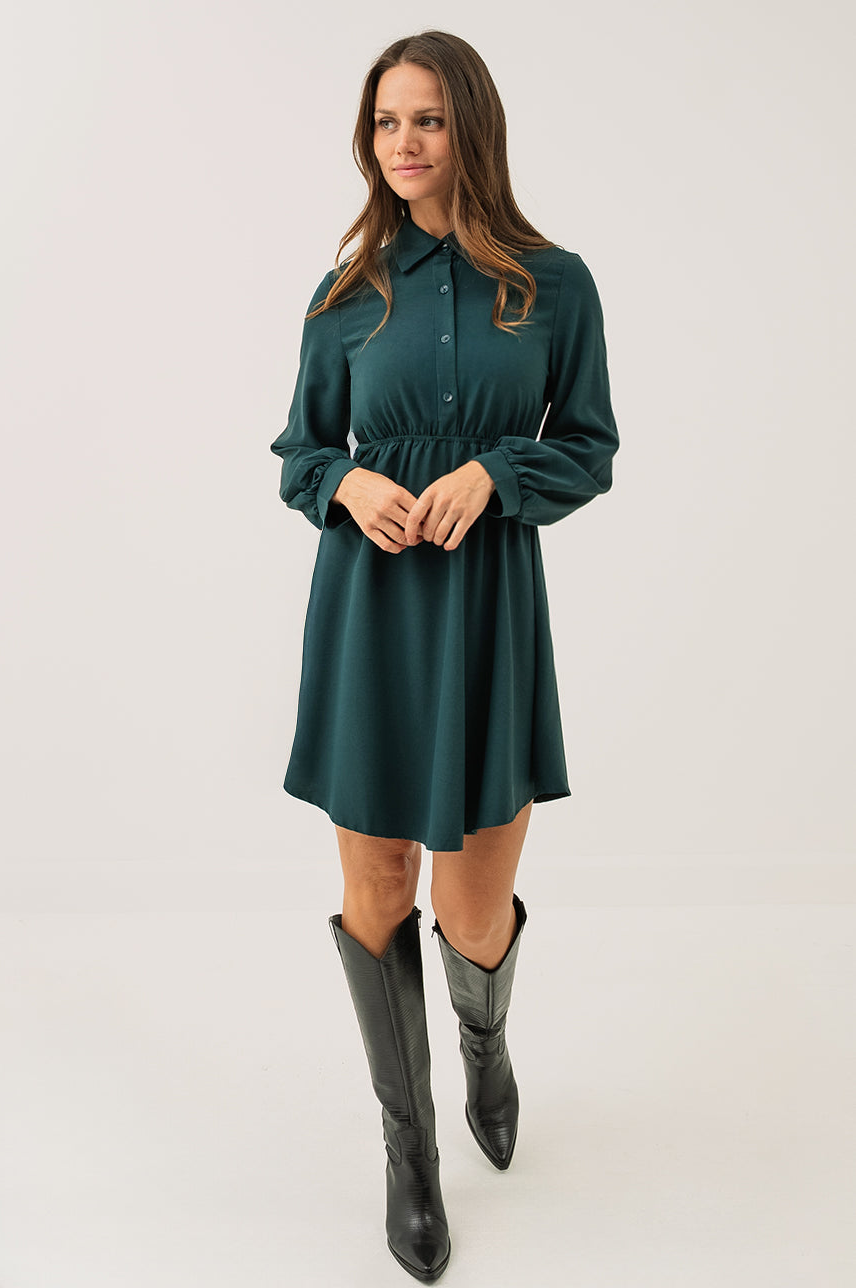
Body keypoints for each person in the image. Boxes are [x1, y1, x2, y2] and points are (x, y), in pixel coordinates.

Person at [269, 29, 619, 1283]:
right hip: (370, 610)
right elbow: (299, 454)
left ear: (472, 125)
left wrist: (497, 472)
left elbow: (589, 447)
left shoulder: (555, 283)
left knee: (471, 909)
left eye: (426, 118)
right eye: (385, 122)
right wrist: (348, 481)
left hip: (486, 615)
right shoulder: (345, 292)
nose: (404, 143)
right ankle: (407, 1151)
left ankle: (482, 1044)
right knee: (377, 888)